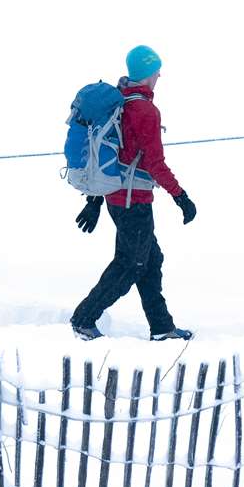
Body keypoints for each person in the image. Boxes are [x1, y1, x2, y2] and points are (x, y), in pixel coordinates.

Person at [69, 45, 196, 341]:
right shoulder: (145, 110)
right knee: (131, 264)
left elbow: (115, 154)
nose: (159, 75)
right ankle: (83, 319)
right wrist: (181, 196)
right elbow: (154, 162)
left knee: (150, 260)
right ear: (150, 73)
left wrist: (95, 200)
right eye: (157, 71)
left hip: (117, 197)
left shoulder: (120, 101)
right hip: (133, 201)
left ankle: (162, 327)